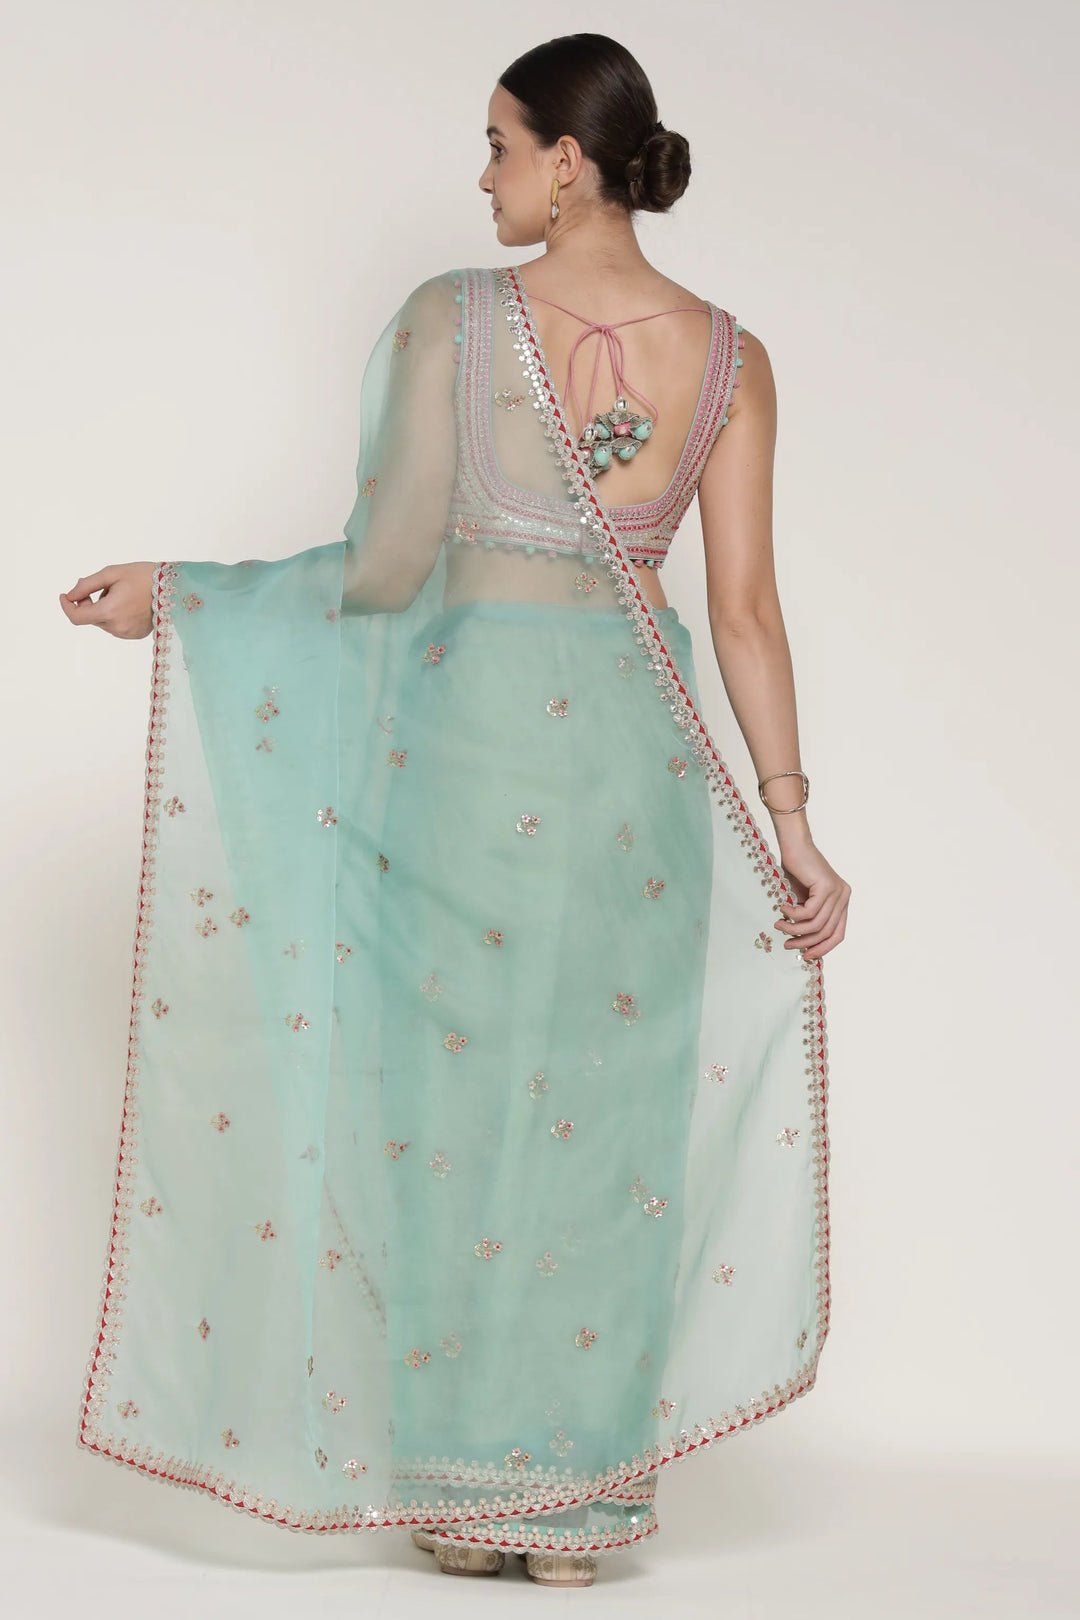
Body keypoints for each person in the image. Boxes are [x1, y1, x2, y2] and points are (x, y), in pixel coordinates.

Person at [60, 33, 849, 1590]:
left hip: (477, 770)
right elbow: (745, 614)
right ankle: (575, 1509)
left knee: (457, 1113)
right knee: (604, 1123)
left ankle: (471, 1496)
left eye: (497, 144)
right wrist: (792, 821)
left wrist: (186, 595)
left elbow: (385, 569)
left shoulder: (455, 318)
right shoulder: (732, 359)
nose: (480, 175)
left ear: (567, 159)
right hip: (633, 787)